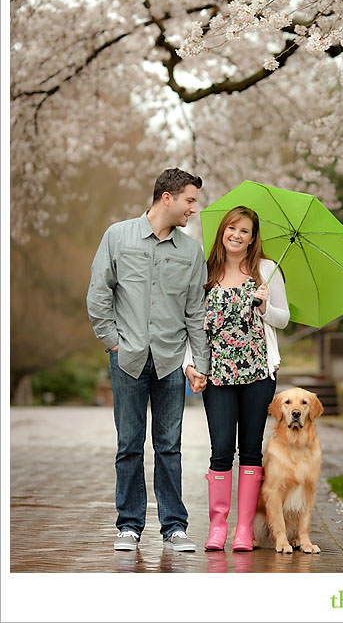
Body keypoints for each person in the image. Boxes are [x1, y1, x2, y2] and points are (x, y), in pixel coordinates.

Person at [87, 168, 209, 552]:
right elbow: (98, 295)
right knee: (129, 444)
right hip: (128, 359)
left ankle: (174, 526)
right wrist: (113, 343)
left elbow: (195, 313)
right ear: (167, 198)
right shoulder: (117, 236)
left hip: (172, 361)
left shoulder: (191, 251)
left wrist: (200, 363)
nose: (194, 208)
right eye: (190, 200)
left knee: (170, 445)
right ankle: (129, 526)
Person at [190, 205, 290, 551]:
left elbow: (284, 318)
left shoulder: (267, 270)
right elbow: (192, 326)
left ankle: (243, 530)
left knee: (250, 450)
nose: (236, 235)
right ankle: (218, 527)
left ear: (252, 238)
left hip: (257, 373)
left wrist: (265, 307)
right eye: (231, 228)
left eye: (244, 231)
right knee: (220, 451)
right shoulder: (206, 271)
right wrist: (192, 365)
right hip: (218, 374)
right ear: (222, 231)